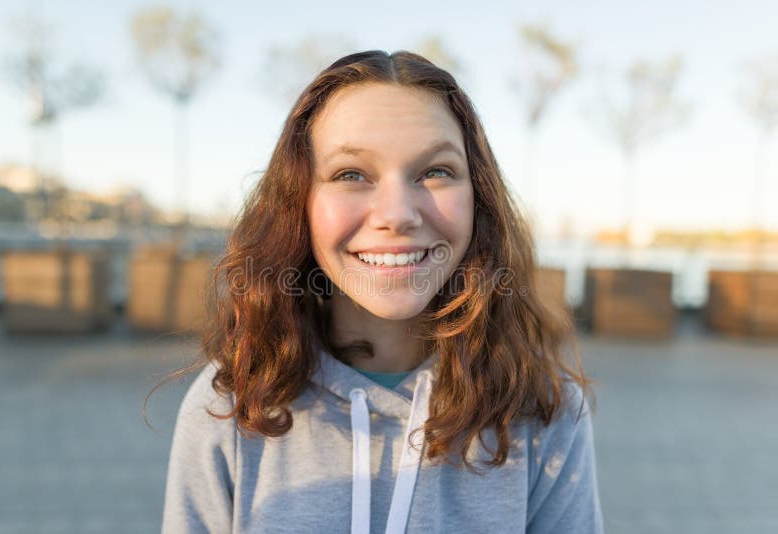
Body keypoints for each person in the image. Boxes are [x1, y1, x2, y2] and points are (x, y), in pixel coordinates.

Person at [158, 50, 604, 533]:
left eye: (435, 171)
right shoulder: (230, 404)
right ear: (299, 203)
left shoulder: (542, 409)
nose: (397, 214)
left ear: (479, 198)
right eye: (351, 174)